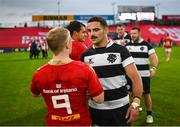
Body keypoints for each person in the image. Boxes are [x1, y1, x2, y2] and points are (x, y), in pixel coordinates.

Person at [30, 27, 104, 126]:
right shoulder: (85, 69)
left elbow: (34, 94)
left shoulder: (39, 73)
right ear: (67, 44)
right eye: (70, 40)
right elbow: (99, 99)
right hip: (80, 123)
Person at [81, 16, 143, 126]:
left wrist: (136, 102)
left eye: (96, 30)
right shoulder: (85, 56)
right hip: (96, 110)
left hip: (120, 109)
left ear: (106, 30)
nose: (91, 34)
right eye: (89, 31)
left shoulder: (121, 50)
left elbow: (135, 77)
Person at [125, 27, 158, 123]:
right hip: (130, 75)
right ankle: (129, 112)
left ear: (139, 33)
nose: (132, 35)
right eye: (131, 33)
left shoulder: (146, 45)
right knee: (129, 94)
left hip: (144, 75)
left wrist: (154, 68)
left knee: (146, 94)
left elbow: (154, 57)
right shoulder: (127, 46)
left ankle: (149, 114)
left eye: (134, 33)